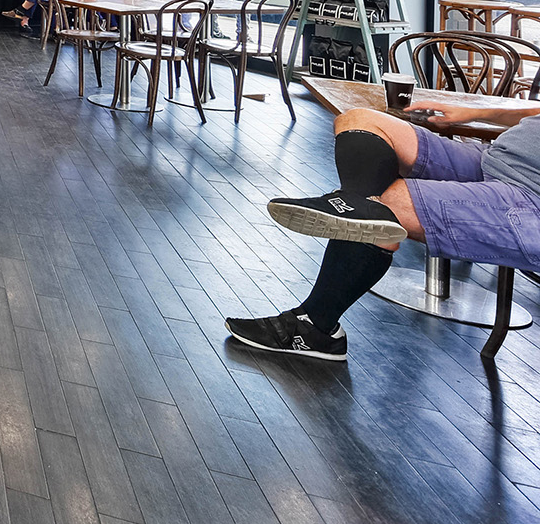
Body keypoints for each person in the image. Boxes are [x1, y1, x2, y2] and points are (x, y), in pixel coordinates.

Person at [225, 99, 540, 361]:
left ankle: (314, 326)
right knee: (360, 121)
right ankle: (354, 203)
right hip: (491, 160)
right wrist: (476, 113)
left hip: (530, 197)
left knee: (389, 206)